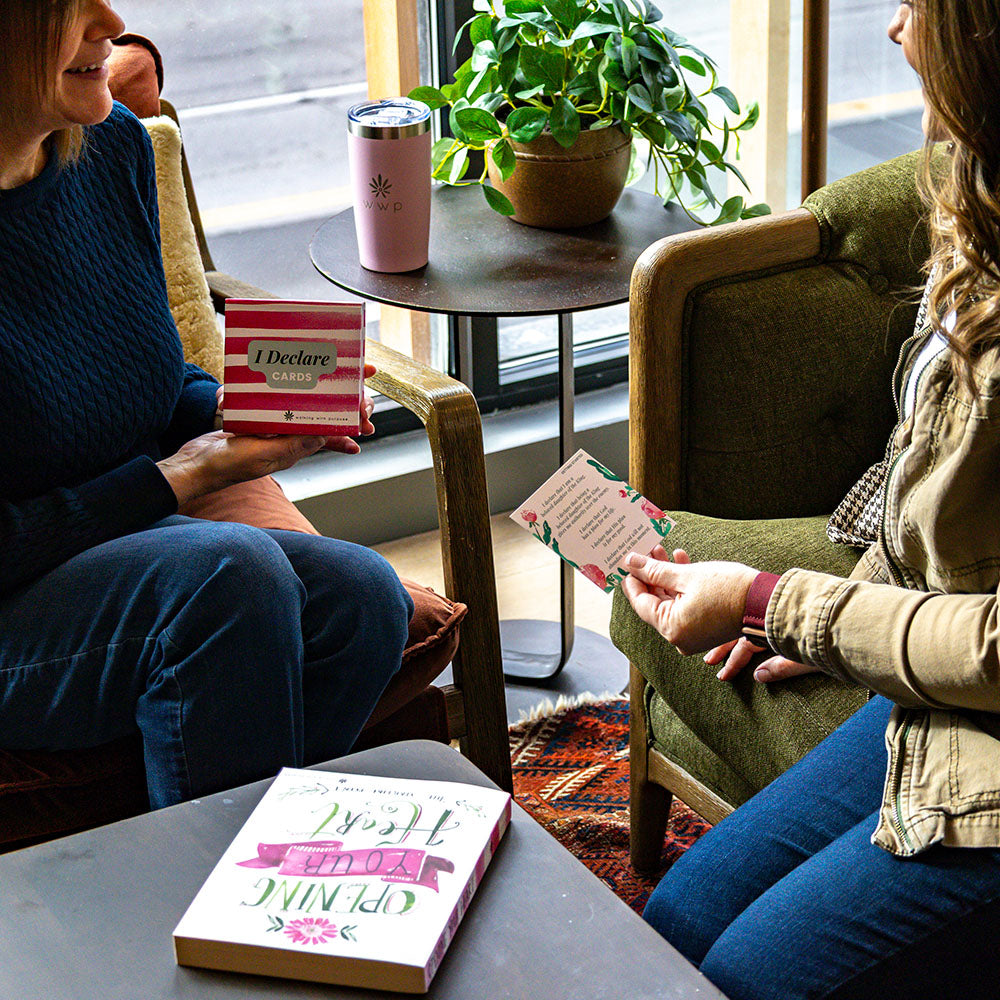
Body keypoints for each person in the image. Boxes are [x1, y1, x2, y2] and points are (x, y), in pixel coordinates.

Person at [621, 2, 1000, 998]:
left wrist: (769, 603)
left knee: (752, 974)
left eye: (918, 6)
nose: (892, 27)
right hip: (944, 703)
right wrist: (823, 615)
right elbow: (948, 505)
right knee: (679, 917)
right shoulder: (980, 203)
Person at [0, 0, 412, 811]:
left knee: (363, 601)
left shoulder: (111, 147)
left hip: (110, 542)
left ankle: (242, 858)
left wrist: (253, 408)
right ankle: (235, 920)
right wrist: (182, 480)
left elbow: (146, 382)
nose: (111, 22)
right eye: (71, 5)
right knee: (226, 577)